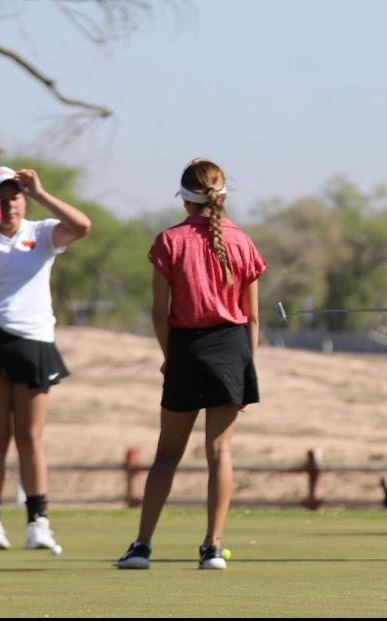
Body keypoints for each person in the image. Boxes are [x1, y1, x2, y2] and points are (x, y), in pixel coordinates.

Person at [115, 159, 265, 570]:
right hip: (231, 348)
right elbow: (251, 317)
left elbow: (159, 314)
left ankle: (142, 546)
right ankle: (212, 548)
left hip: (185, 346)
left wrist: (170, 357)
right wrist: (247, 364)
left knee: (167, 454)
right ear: (223, 195)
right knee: (220, 451)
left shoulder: (169, 241)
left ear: (184, 198)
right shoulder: (242, 241)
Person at [0, 166, 91, 551]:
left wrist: (42, 193)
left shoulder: (42, 232)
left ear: (24, 199)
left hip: (33, 341)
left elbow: (81, 226)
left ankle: (38, 523)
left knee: (30, 436)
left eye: (14, 195)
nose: (8, 203)